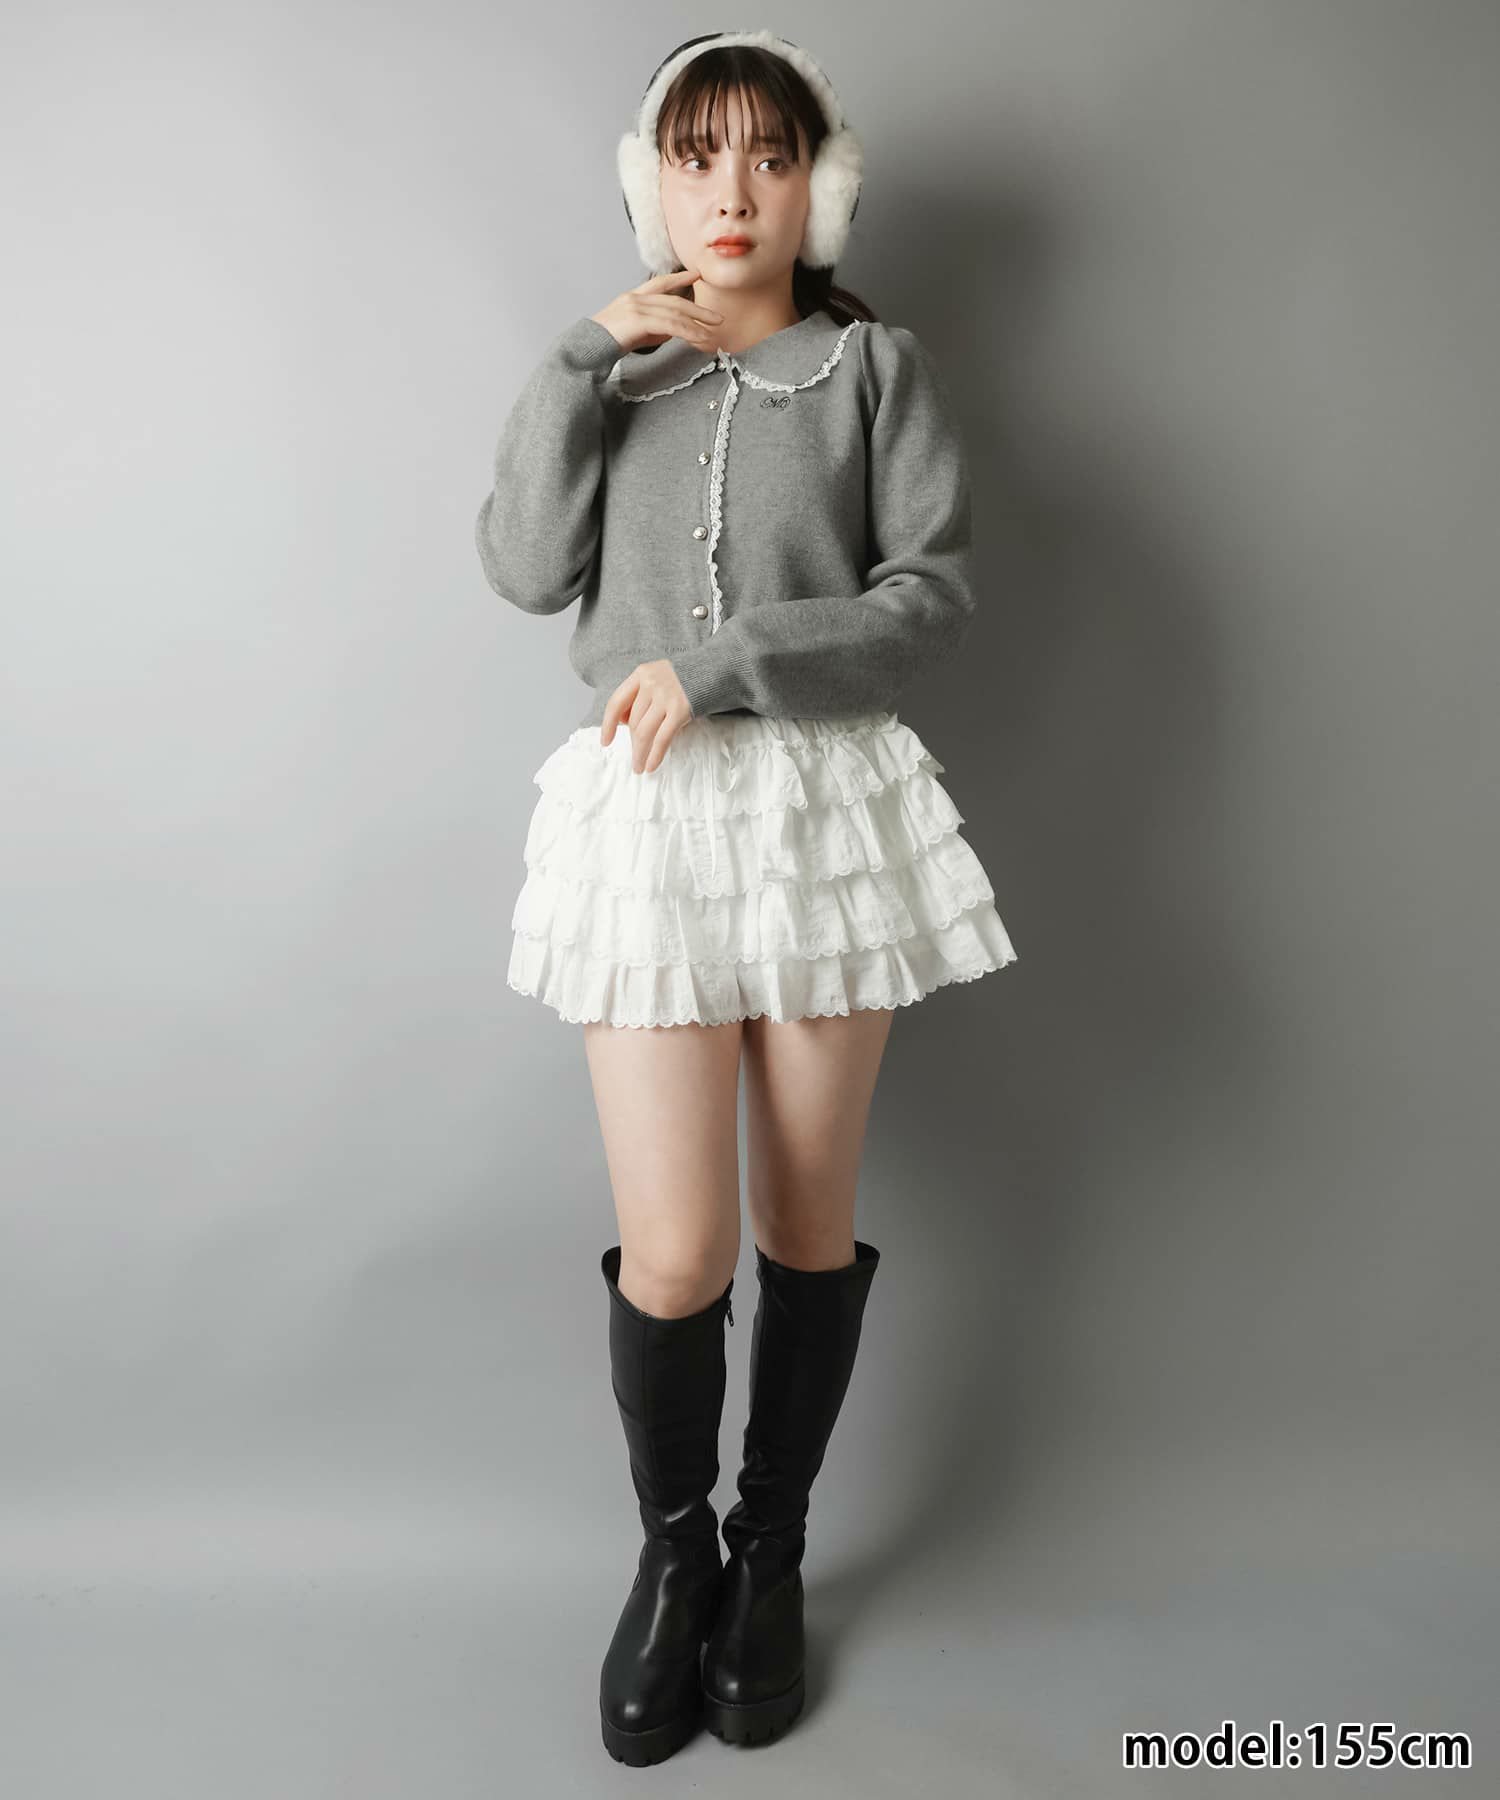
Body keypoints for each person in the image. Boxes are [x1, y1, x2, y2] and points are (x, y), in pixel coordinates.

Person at [474, 30, 1018, 1765]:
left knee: (802, 1223)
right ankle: (674, 1556)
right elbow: (523, 566)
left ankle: (768, 1551)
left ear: (817, 187)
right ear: (654, 183)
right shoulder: (613, 375)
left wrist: (726, 666)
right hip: (647, 828)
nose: (733, 192)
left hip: (823, 815)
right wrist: (582, 355)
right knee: (679, 1247)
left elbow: (928, 599)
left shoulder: (874, 371)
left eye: (769, 158)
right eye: (698, 156)